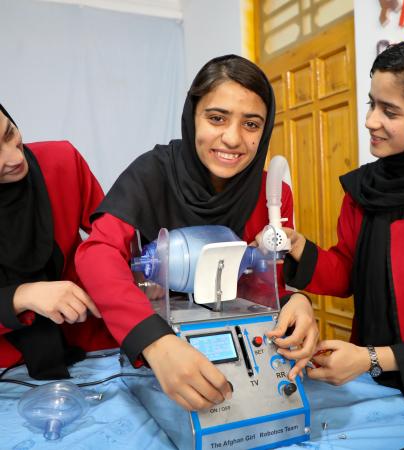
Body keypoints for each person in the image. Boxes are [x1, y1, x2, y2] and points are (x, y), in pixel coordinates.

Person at [75, 54, 318, 411]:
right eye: (217, 118)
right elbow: (97, 253)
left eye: (251, 124)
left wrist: (298, 302)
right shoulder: (152, 173)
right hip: (155, 356)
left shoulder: (272, 194)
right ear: (192, 116)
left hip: (238, 356)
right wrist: (155, 342)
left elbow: (269, 280)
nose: (233, 138)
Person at [278, 35, 404, 400]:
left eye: (390, 111)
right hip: (374, 383)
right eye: (372, 104)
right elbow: (348, 272)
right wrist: (299, 247)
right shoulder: (367, 190)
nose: (370, 121)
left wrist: (371, 358)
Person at [0, 104, 117, 380]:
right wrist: (21, 296)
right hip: (9, 365)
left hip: (89, 342)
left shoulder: (60, 161)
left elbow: (110, 235)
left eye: (9, 134)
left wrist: (139, 268)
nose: (16, 157)